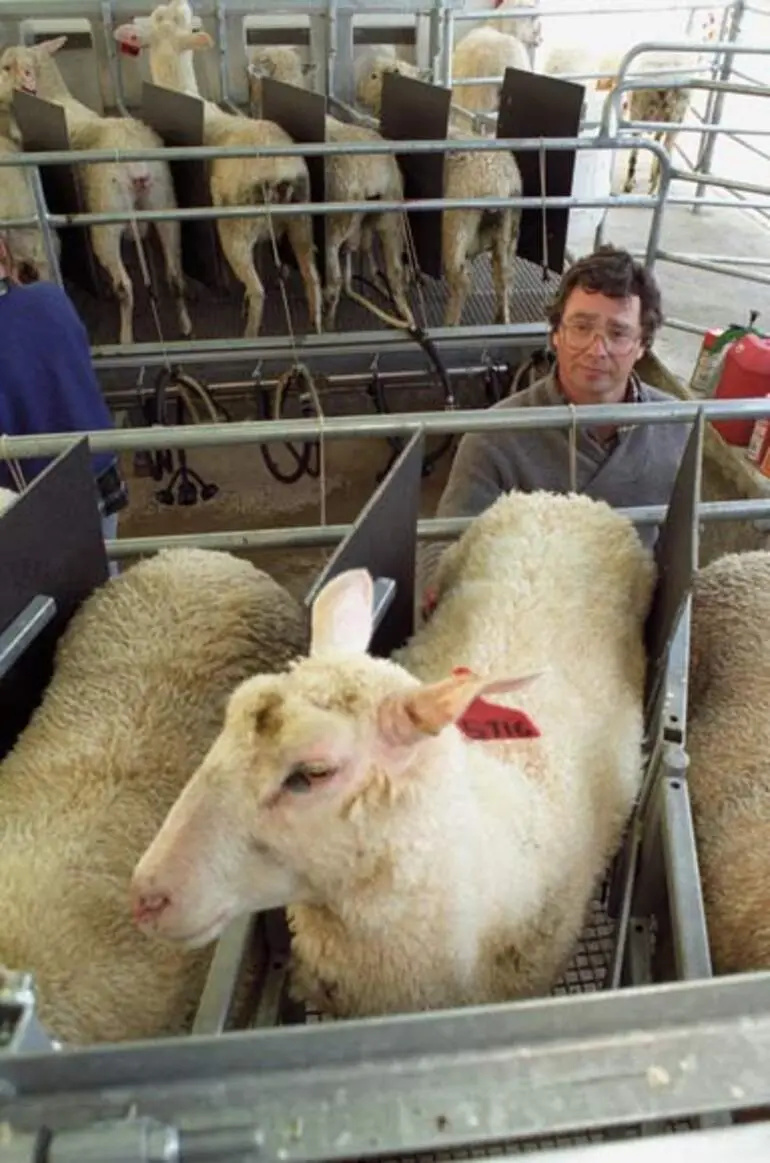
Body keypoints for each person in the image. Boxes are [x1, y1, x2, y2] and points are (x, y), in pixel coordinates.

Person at [418, 244, 691, 611]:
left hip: (630, 624)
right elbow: (445, 543)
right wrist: (440, 590)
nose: (597, 349)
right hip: (523, 617)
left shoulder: (675, 427)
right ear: (555, 334)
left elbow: (682, 550)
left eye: (618, 333)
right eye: (581, 327)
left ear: (642, 345)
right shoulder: (494, 436)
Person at [0, 236, 127, 574]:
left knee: (52, 598)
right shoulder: (52, 298)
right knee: (106, 583)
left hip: (36, 491)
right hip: (98, 466)